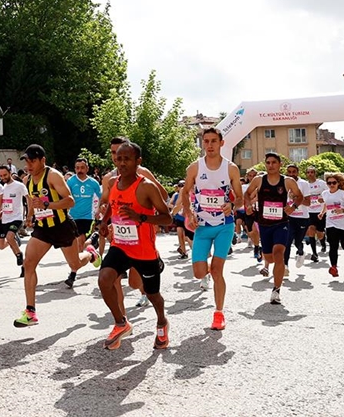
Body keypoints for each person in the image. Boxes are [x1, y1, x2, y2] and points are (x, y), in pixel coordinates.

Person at [97, 141, 173, 350]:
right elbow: (112, 205)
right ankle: (121, 323)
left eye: (127, 159)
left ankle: (162, 322)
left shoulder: (146, 187)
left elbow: (167, 218)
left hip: (144, 251)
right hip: (120, 246)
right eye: (118, 159)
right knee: (104, 279)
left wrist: (141, 217)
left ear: (138, 161)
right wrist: (104, 222)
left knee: (152, 294)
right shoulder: (113, 182)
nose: (121, 163)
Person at [13, 144, 94, 328]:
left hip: (62, 226)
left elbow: (70, 201)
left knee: (75, 264)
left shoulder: (53, 176)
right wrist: (29, 216)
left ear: (43, 160)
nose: (29, 165)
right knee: (28, 263)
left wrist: (47, 205)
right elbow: (32, 200)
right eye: (27, 161)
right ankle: (30, 312)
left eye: (32, 161)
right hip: (43, 228)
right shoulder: (27, 179)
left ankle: (90, 253)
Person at [181, 127, 242, 331]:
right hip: (202, 226)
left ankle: (219, 313)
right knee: (199, 273)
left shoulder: (231, 168)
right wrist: (189, 213)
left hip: (224, 226)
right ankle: (207, 273)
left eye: (213, 141)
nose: (209, 145)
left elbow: (240, 198)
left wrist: (232, 205)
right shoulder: (195, 168)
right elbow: (185, 192)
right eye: (206, 141)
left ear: (221, 143)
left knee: (217, 270)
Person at [244, 152, 303, 305]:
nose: (271, 165)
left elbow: (299, 196)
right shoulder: (259, 180)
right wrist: (248, 205)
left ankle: (276, 290)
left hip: (281, 223)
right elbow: (247, 194)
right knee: (269, 258)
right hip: (264, 224)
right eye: (268, 163)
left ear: (280, 164)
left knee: (278, 254)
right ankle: (265, 255)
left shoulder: (287, 181)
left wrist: (293, 207)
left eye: (274, 162)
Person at [317, 172, 344, 278]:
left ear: (338, 183)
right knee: (333, 245)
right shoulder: (325, 193)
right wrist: (322, 213)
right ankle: (333, 267)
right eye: (329, 183)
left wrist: (342, 210)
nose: (331, 185)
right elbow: (326, 204)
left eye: (334, 182)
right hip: (331, 223)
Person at [0, 164, 29, 276]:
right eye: (1, 176)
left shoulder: (19, 186)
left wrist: (29, 215)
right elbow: (4, 202)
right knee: (10, 243)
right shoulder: (2, 187)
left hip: (17, 218)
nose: (3, 177)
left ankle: (19, 254)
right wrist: (1, 210)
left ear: (10, 173)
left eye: (5, 175)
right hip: (5, 218)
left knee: (9, 237)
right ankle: (23, 265)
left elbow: (28, 199)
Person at [67, 158, 102, 253]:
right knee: (75, 241)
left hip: (87, 216)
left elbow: (102, 197)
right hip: (72, 215)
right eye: (77, 168)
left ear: (87, 168)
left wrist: (98, 210)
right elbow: (65, 196)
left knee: (81, 239)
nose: (80, 170)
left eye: (82, 167)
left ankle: (78, 259)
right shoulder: (70, 181)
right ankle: (92, 241)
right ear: (75, 169)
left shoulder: (93, 183)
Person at [303, 166, 327, 262]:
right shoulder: (305, 185)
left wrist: (323, 199)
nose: (310, 174)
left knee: (320, 234)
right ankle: (314, 253)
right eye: (308, 172)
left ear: (315, 173)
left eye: (312, 172)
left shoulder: (321, 183)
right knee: (311, 230)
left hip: (320, 211)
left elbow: (329, 192)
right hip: (309, 211)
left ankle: (323, 242)